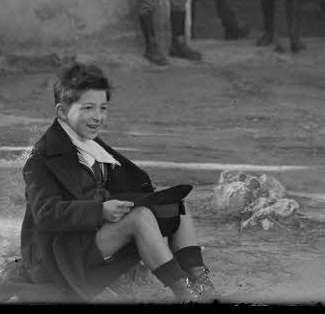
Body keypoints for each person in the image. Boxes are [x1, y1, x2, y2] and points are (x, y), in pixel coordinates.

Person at [20, 61, 217, 302]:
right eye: (88, 108)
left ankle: (201, 280)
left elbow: (123, 181)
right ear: (62, 112)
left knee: (178, 205)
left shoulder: (87, 141)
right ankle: (184, 291)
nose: (98, 117)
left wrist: (153, 199)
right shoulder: (41, 159)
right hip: (62, 250)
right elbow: (46, 214)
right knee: (141, 219)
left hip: (92, 233)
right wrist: (99, 211)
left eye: (103, 108)